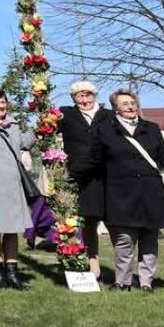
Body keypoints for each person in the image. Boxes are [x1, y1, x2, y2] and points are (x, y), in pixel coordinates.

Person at [88, 89, 164, 292]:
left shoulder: (151, 128)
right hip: (120, 193)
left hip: (151, 191)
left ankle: (146, 282)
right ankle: (122, 281)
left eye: (132, 102)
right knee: (124, 239)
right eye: (124, 103)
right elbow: (94, 161)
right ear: (115, 108)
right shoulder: (104, 130)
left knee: (149, 237)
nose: (130, 106)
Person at [58, 80, 111, 278]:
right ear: (73, 98)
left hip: (107, 174)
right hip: (80, 175)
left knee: (114, 221)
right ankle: (93, 263)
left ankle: (122, 267)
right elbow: (47, 129)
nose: (84, 99)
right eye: (79, 96)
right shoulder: (66, 114)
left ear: (94, 96)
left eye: (88, 95)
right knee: (88, 220)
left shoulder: (108, 115)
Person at [0, 89, 34, 290]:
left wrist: (40, 127)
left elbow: (24, 143)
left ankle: (12, 273)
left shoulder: (13, 125)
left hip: (13, 185)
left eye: (3, 101)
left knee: (13, 230)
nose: (1, 105)